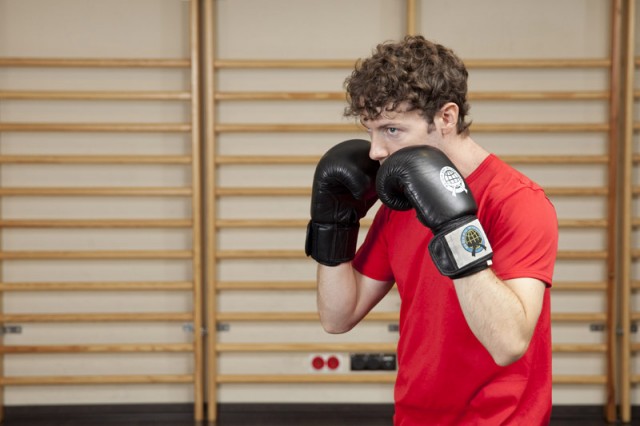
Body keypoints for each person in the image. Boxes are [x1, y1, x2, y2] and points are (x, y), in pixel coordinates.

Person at [305, 35, 558, 425]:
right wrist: (334, 224)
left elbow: (509, 344)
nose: (374, 151)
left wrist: (454, 225)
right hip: (415, 416)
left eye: (391, 130)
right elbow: (338, 317)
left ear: (446, 117)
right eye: (369, 130)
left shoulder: (517, 201)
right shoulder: (402, 199)